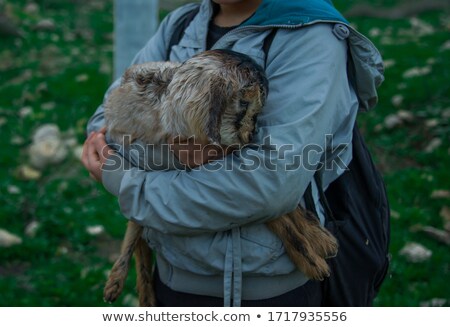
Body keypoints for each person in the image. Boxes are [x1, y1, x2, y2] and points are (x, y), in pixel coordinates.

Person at [82, 0, 384, 307]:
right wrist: (200, 152)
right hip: (170, 279)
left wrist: (125, 181)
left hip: (267, 294)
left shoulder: (307, 35)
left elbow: (265, 186)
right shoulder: (182, 24)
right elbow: (108, 122)